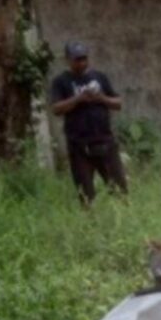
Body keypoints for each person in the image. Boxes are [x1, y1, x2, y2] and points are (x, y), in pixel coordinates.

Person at [50, 41, 128, 206]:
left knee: (119, 189)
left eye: (84, 59)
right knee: (85, 194)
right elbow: (56, 108)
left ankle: (124, 219)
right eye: (77, 60)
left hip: (105, 142)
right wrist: (79, 99)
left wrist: (102, 98)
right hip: (79, 146)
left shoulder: (100, 77)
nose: (82, 63)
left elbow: (118, 103)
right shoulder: (61, 81)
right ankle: (90, 224)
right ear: (68, 60)